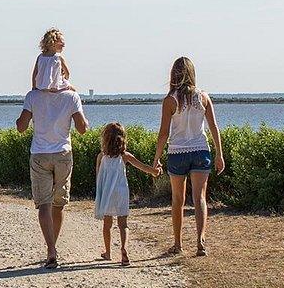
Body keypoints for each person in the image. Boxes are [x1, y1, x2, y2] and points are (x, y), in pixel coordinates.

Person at [152, 57, 226, 256]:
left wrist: (156, 158)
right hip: (201, 150)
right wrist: (219, 154)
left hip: (177, 152)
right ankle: (200, 242)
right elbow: (213, 127)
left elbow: (163, 134)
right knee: (200, 197)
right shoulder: (203, 97)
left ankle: (178, 244)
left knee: (178, 200)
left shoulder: (170, 100)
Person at [16, 86, 89, 268]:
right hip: (63, 155)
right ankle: (53, 248)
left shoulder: (33, 96)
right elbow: (82, 129)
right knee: (58, 204)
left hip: (40, 154)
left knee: (44, 204)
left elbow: (21, 127)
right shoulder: (72, 96)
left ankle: (51, 250)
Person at [94, 122, 160, 265]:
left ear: (105, 139)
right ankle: (124, 249)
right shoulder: (125, 156)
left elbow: (98, 177)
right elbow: (142, 166)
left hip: (107, 193)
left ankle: (108, 252)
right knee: (123, 224)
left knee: (107, 224)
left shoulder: (101, 157)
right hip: (122, 192)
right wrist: (155, 172)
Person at [31, 28, 77, 92]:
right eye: (61, 42)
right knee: (73, 90)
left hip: (41, 87)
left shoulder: (40, 57)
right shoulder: (58, 57)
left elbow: (35, 73)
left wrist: (34, 87)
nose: (64, 45)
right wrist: (64, 78)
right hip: (57, 86)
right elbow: (67, 74)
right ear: (53, 43)